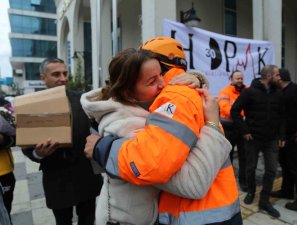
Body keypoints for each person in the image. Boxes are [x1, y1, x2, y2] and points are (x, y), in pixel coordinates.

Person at [85, 37, 242, 225]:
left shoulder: (143, 105)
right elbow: (192, 184)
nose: (164, 84)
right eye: (152, 81)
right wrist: (213, 124)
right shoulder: (126, 123)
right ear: (128, 93)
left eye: (162, 74)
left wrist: (198, 78)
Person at [21, 58, 102, 225]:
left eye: (65, 73)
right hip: (56, 176)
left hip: (85, 174)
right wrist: (38, 153)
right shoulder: (31, 105)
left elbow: (98, 124)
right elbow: (26, 143)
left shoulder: (82, 100)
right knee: (62, 221)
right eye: (56, 74)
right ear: (43, 77)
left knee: (88, 218)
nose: (63, 78)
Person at [231, 64, 285, 218]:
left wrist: (281, 136)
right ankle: (251, 192)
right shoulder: (250, 92)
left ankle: (264, 200)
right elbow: (234, 111)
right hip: (253, 139)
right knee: (250, 168)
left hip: (271, 140)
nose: (279, 78)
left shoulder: (278, 93)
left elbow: (283, 116)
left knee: (271, 170)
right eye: (276, 75)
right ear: (268, 76)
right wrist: (245, 131)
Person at [271, 68, 297, 211]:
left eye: (275, 76)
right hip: (283, 136)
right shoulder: (280, 91)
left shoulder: (295, 90)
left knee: (296, 167)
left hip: (294, 136)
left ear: (280, 78)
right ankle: (286, 191)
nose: (273, 78)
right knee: (285, 165)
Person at [218, 70, 247, 191]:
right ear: (231, 80)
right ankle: (227, 181)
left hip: (242, 129)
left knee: (244, 156)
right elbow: (226, 109)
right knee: (227, 156)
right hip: (229, 128)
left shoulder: (247, 91)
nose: (239, 81)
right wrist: (242, 114)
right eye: (237, 79)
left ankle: (243, 181)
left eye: (241, 78)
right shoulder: (225, 92)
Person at [0, 112, 16, 225]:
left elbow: (14, 138)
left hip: (4, 173)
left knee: (5, 213)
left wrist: (3, 139)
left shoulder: (2, 114)